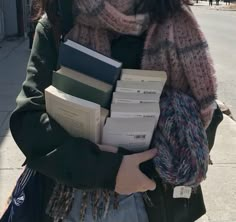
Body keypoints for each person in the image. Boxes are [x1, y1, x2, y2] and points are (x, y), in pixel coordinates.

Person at [9, 0, 217, 221]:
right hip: (72, 198)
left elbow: (203, 121)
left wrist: (163, 157)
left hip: (152, 199)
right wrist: (108, 171)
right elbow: (29, 122)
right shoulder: (60, 19)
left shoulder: (177, 22)